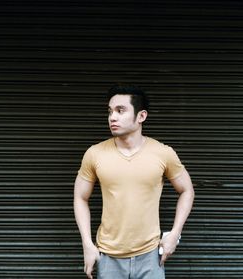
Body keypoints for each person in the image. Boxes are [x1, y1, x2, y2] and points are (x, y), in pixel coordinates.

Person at [74, 84, 194, 279]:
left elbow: (187, 190)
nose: (112, 117)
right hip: (109, 257)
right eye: (110, 111)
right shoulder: (94, 154)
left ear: (141, 116)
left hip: (150, 257)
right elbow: (80, 197)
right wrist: (87, 244)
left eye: (120, 111)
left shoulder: (163, 153)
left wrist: (174, 235)